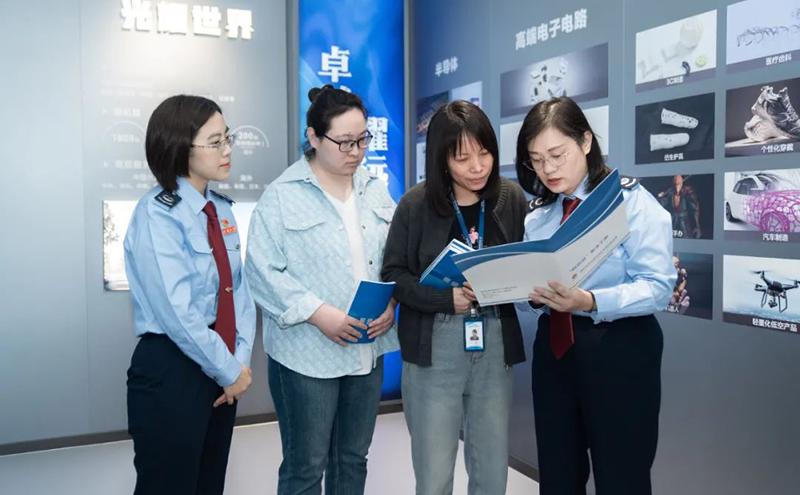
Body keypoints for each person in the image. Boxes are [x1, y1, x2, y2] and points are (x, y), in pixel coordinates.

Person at [515, 96, 677, 495]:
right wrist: (530, 295)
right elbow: (526, 294)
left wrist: (590, 301)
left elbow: (658, 288)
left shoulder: (629, 202)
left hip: (619, 350)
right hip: (554, 354)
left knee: (622, 477)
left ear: (586, 142)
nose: (548, 169)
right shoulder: (539, 215)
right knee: (558, 474)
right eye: (536, 160)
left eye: (557, 155)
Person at [244, 85, 398, 495]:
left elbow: (395, 257)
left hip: (366, 349)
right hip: (306, 355)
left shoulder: (374, 189)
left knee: (353, 458)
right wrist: (318, 313)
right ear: (313, 137)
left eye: (363, 140)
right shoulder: (281, 197)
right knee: (306, 466)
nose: (356, 152)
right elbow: (261, 272)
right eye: (345, 142)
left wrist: (392, 302)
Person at [381, 100, 529, 495]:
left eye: (485, 154)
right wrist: (445, 299)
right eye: (463, 159)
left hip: (494, 342)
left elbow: (527, 262)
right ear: (441, 159)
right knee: (434, 474)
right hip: (434, 347)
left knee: (492, 470)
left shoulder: (510, 198)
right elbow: (394, 276)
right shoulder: (415, 204)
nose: (478, 167)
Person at [124, 94, 256, 495]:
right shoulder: (157, 214)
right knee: (168, 485)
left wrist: (239, 363)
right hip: (172, 369)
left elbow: (238, 291)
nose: (227, 150)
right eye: (215, 142)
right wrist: (229, 370)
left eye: (227, 138)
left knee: (208, 484)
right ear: (181, 148)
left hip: (220, 368)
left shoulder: (222, 209)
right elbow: (177, 313)